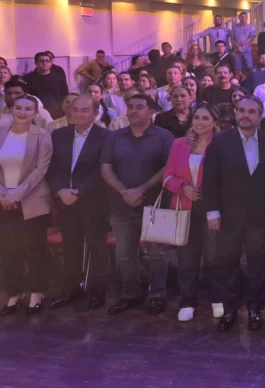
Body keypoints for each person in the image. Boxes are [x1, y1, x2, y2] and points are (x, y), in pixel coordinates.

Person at [203, 96, 265, 332]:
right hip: (227, 215)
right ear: (236, 113)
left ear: (260, 116)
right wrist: (212, 212)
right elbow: (210, 180)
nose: (245, 115)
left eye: (251, 111)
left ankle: (255, 309)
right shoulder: (219, 141)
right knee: (227, 263)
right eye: (242, 111)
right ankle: (230, 309)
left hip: (260, 215)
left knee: (258, 264)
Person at [100, 94, 174, 316]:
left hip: (157, 203)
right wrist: (125, 192)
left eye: (139, 107)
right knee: (124, 253)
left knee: (157, 253)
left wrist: (140, 190)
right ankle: (130, 294)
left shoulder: (164, 136)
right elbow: (105, 168)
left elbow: (167, 169)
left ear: (151, 111)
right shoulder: (115, 137)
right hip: (121, 204)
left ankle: (157, 295)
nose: (133, 111)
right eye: (130, 107)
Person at [47, 96, 112, 311]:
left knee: (97, 246)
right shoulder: (59, 134)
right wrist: (60, 191)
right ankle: (71, 288)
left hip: (93, 201)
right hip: (64, 200)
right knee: (70, 247)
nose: (79, 114)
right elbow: (52, 167)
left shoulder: (105, 136)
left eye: (85, 110)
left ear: (95, 114)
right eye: (75, 110)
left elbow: (101, 170)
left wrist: (78, 191)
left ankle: (97, 290)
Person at [160, 103, 222, 322]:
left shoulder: (221, 144)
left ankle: (218, 298)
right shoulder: (178, 144)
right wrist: (183, 187)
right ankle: (187, 301)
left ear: (214, 122)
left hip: (212, 209)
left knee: (214, 256)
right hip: (183, 206)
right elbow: (167, 176)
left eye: (205, 118)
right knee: (186, 257)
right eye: (197, 117)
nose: (200, 122)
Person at [0, 96, 53, 315]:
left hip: (32, 202)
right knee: (8, 251)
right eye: (18, 107)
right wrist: (3, 194)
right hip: (3, 202)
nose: (22, 112)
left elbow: (41, 170)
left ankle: (36, 293)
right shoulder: (1, 133)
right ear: (11, 110)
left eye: (28, 109)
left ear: (35, 113)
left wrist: (16, 195)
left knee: (34, 250)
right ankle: (14, 292)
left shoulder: (42, 136)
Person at [23, 51, 69, 118]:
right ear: (36, 63)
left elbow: (65, 94)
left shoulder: (59, 77)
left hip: (57, 113)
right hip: (36, 113)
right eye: (41, 61)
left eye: (47, 61)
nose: (44, 63)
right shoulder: (28, 78)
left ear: (51, 63)